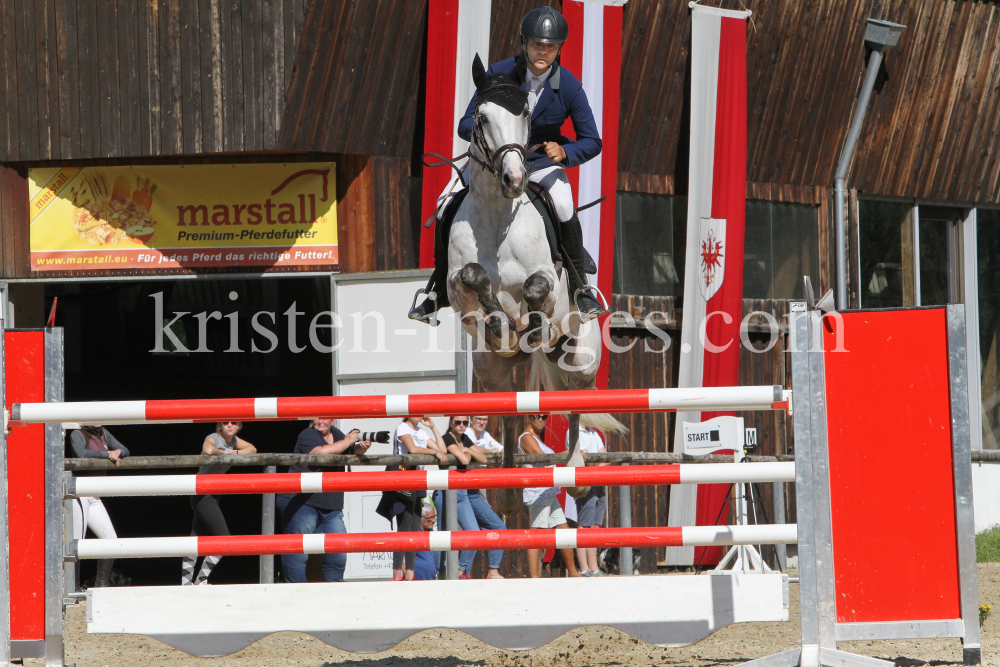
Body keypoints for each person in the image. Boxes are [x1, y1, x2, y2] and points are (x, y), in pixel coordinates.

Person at [409, 6, 606, 325]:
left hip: (539, 162)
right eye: (537, 45)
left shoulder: (568, 86)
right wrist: (486, 129)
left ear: (558, 49)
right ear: (524, 43)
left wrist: (565, 151)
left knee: (564, 204)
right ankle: (437, 290)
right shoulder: (497, 74)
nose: (543, 52)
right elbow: (464, 123)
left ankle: (581, 288)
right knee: (445, 204)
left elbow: (592, 140)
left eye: (550, 47)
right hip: (492, 162)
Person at [276, 418, 371, 583]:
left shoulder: (337, 434)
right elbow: (319, 452)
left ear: (332, 421)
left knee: (338, 552)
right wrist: (347, 441)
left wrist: (361, 448)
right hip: (301, 501)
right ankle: (296, 593)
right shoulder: (307, 434)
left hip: (330, 505)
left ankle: (333, 594)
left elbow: (350, 451)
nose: (320, 421)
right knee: (298, 551)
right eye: (316, 417)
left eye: (324, 417)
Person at [182, 421, 256, 585]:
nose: (229, 425)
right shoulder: (213, 437)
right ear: (220, 426)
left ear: (238, 426)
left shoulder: (234, 440)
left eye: (234, 423)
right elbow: (208, 450)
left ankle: (186, 583)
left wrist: (233, 452)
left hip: (212, 495)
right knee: (224, 539)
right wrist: (225, 452)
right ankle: (201, 580)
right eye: (225, 422)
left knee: (195, 540)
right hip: (204, 494)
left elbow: (252, 449)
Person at [433, 417, 506, 580]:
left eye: (465, 423)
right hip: (446, 492)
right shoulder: (448, 438)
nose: (462, 425)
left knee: (473, 532)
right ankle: (440, 573)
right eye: (458, 422)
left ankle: (460, 571)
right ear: (451, 422)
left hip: (461, 492)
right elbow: (466, 460)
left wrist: (468, 450)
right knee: (443, 535)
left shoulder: (464, 438)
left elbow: (483, 458)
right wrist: (467, 451)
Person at [385, 416, 448, 581]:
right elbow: (412, 449)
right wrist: (435, 452)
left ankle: (410, 574)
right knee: (404, 529)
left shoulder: (420, 431)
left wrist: (433, 427)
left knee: (414, 530)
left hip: (417, 481)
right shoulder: (403, 427)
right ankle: (397, 574)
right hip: (404, 480)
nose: (420, 413)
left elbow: (443, 449)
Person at [518, 414, 581, 578]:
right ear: (528, 418)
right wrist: (569, 453)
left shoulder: (536, 438)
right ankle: (535, 577)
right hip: (538, 493)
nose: (541, 420)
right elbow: (544, 459)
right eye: (536, 416)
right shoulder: (526, 437)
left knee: (564, 531)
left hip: (548, 492)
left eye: (544, 417)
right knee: (537, 534)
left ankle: (573, 572)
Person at [70, 425, 130, 588]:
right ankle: (73, 587)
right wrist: (107, 454)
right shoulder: (78, 434)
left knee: (111, 539)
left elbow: (125, 449)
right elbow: (81, 453)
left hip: (95, 495)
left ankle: (100, 585)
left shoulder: (104, 433)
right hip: (80, 493)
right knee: (77, 542)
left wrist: (118, 452)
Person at [569, 425, 609, 576]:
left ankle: (594, 567)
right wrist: (597, 464)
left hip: (596, 481)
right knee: (584, 525)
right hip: (585, 482)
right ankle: (584, 568)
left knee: (595, 526)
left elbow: (604, 457)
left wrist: (595, 464)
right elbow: (588, 460)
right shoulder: (574, 432)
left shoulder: (593, 432)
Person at [413, 503, 439, 581]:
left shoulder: (432, 533)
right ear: (421, 518)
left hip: (433, 581)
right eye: (430, 518)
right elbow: (403, 559)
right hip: (417, 582)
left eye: (434, 517)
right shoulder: (414, 534)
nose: (433, 521)